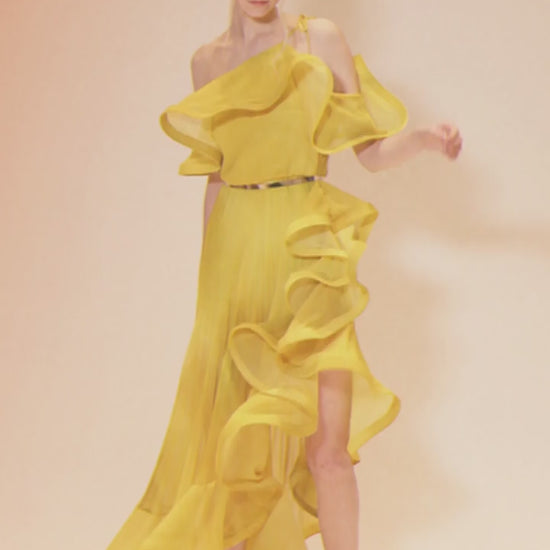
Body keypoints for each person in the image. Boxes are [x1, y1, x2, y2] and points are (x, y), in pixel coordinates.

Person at [106, 2, 462, 550]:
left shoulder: (319, 39)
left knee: (329, 452)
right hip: (237, 258)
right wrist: (210, 292)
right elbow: (218, 178)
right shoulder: (207, 62)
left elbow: (369, 152)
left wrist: (422, 140)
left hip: (307, 256)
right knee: (237, 456)